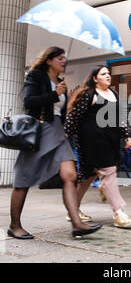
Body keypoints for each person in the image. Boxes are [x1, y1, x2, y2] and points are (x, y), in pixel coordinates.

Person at [8, 46, 102, 239]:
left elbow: (59, 110)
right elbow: (29, 102)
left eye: (64, 58)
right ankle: (14, 225)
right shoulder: (36, 76)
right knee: (23, 180)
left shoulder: (60, 82)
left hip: (58, 131)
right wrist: (54, 94)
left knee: (70, 175)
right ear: (49, 60)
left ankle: (77, 224)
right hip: (39, 132)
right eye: (59, 58)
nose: (63, 61)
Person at [64, 65, 131, 228]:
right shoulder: (89, 94)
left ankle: (72, 209)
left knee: (87, 177)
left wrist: (127, 136)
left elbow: (119, 118)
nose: (108, 76)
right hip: (92, 141)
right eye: (103, 74)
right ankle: (119, 213)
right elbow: (73, 118)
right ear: (95, 78)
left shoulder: (114, 94)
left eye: (109, 73)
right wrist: (64, 136)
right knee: (109, 173)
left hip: (110, 141)